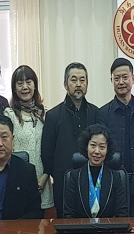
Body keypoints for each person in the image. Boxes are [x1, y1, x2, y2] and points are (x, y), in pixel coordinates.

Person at [42, 62, 98, 213]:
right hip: (63, 183)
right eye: (74, 80)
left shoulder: (96, 113)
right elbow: (47, 153)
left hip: (93, 182)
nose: (78, 84)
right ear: (65, 84)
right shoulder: (53, 116)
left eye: (82, 80)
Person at [98, 57, 134, 217]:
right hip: (113, 182)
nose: (121, 82)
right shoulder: (103, 114)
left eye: (125, 77)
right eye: (117, 78)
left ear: (133, 79)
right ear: (111, 80)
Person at [3, 65, 53, 212]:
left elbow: (51, 150)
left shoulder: (46, 114)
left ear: (35, 85)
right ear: (14, 88)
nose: (25, 87)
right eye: (20, 83)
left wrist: (45, 176)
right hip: (17, 180)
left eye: (28, 82)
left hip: (43, 181)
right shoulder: (9, 115)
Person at [62, 124, 129, 218]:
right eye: (93, 145)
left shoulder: (116, 177)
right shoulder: (74, 177)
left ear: (107, 149)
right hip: (80, 230)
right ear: (86, 146)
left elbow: (122, 214)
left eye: (102, 147)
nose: (97, 151)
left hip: (108, 230)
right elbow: (68, 214)